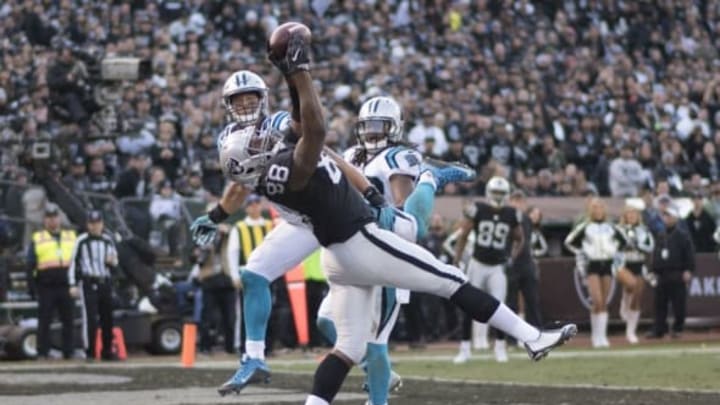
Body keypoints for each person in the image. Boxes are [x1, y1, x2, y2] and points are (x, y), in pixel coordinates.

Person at [202, 33, 575, 405]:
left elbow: (298, 127)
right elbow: (313, 130)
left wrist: (289, 77)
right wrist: (299, 72)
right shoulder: (292, 167)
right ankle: (531, 336)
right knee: (450, 280)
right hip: (360, 241)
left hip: (338, 257)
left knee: (347, 347)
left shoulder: (270, 168)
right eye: (255, 145)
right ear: (255, 161)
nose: (263, 138)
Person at [451, 176, 525, 363]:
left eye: (501, 193)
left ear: (506, 194)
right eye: (495, 192)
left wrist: (511, 257)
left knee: (500, 308)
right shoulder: (478, 209)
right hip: (477, 264)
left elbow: (520, 239)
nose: (498, 196)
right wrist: (456, 260)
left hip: (497, 267)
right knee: (468, 306)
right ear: (488, 193)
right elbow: (464, 235)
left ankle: (500, 347)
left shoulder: (512, 213)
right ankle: (465, 348)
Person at [565, 198, 627, 348]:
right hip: (592, 265)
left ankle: (602, 336)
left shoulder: (611, 226)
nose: (597, 210)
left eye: (600, 207)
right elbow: (569, 242)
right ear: (591, 210)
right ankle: (595, 336)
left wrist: (614, 251)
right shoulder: (585, 226)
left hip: (607, 264)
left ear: (604, 210)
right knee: (597, 300)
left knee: (604, 302)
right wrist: (583, 252)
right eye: (594, 207)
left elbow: (624, 241)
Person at [26, 204, 77, 359]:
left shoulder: (71, 237)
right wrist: (32, 287)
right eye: (49, 218)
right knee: (45, 321)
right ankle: (43, 352)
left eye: (54, 217)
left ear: (59, 219)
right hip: (46, 286)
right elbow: (30, 265)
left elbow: (78, 261)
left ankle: (69, 351)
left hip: (67, 285)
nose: (52, 221)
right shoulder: (38, 238)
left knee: (68, 320)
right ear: (44, 220)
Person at [68, 210, 119, 360]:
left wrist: (112, 262)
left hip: (105, 281)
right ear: (87, 224)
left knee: (107, 318)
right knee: (90, 318)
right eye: (92, 223)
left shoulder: (108, 240)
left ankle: (107, 350)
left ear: (102, 224)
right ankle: (89, 350)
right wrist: (72, 284)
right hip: (89, 282)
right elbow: (73, 263)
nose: (95, 226)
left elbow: (115, 262)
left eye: (97, 223)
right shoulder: (81, 240)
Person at [225, 194, 273, 353]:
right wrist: (234, 275)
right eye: (251, 204)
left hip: (267, 273)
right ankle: (242, 345)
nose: (254, 207)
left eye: (257, 203)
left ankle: (267, 345)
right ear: (246, 208)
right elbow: (233, 252)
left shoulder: (269, 225)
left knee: (266, 309)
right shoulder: (239, 227)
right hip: (246, 273)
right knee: (245, 311)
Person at [647, 205, 695, 339]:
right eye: (665, 215)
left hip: (677, 273)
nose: (666, 218)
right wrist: (653, 270)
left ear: (675, 218)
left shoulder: (683, 236)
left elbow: (689, 254)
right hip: (662, 274)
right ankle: (659, 329)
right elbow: (656, 254)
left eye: (669, 215)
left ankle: (678, 328)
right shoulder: (661, 235)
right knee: (659, 304)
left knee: (679, 304)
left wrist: (688, 270)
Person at [616, 201, 654, 344]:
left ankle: (630, 332)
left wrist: (639, 244)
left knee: (637, 298)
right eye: (629, 213)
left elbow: (650, 246)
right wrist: (625, 245)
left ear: (638, 216)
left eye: (634, 213)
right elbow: (613, 246)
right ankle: (624, 302)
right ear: (624, 215)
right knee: (630, 284)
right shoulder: (618, 229)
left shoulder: (644, 230)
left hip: (639, 263)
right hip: (622, 264)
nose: (631, 216)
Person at [506, 191, 543, 332]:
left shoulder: (526, 219)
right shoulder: (507, 217)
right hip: (510, 265)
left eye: (520, 201)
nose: (516, 203)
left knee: (532, 301)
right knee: (511, 303)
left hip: (526, 264)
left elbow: (526, 242)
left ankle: (536, 333)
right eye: (514, 200)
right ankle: (511, 337)